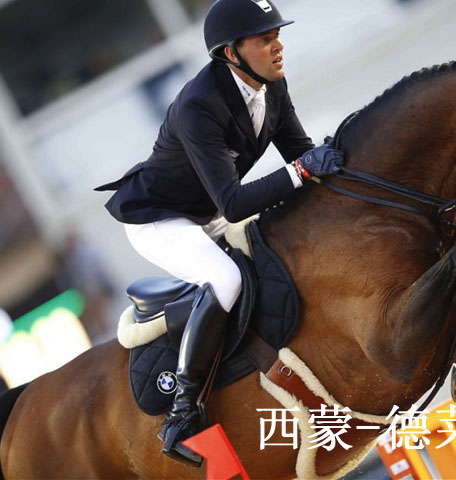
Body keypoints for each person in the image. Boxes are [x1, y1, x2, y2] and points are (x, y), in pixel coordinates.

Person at [95, 0, 344, 466]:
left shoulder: (272, 85)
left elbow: (301, 154)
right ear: (232, 52)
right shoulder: (199, 104)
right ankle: (181, 412)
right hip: (159, 218)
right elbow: (236, 202)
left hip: (205, 211)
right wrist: (303, 171)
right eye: (265, 39)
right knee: (226, 280)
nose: (278, 46)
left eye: (277, 35)